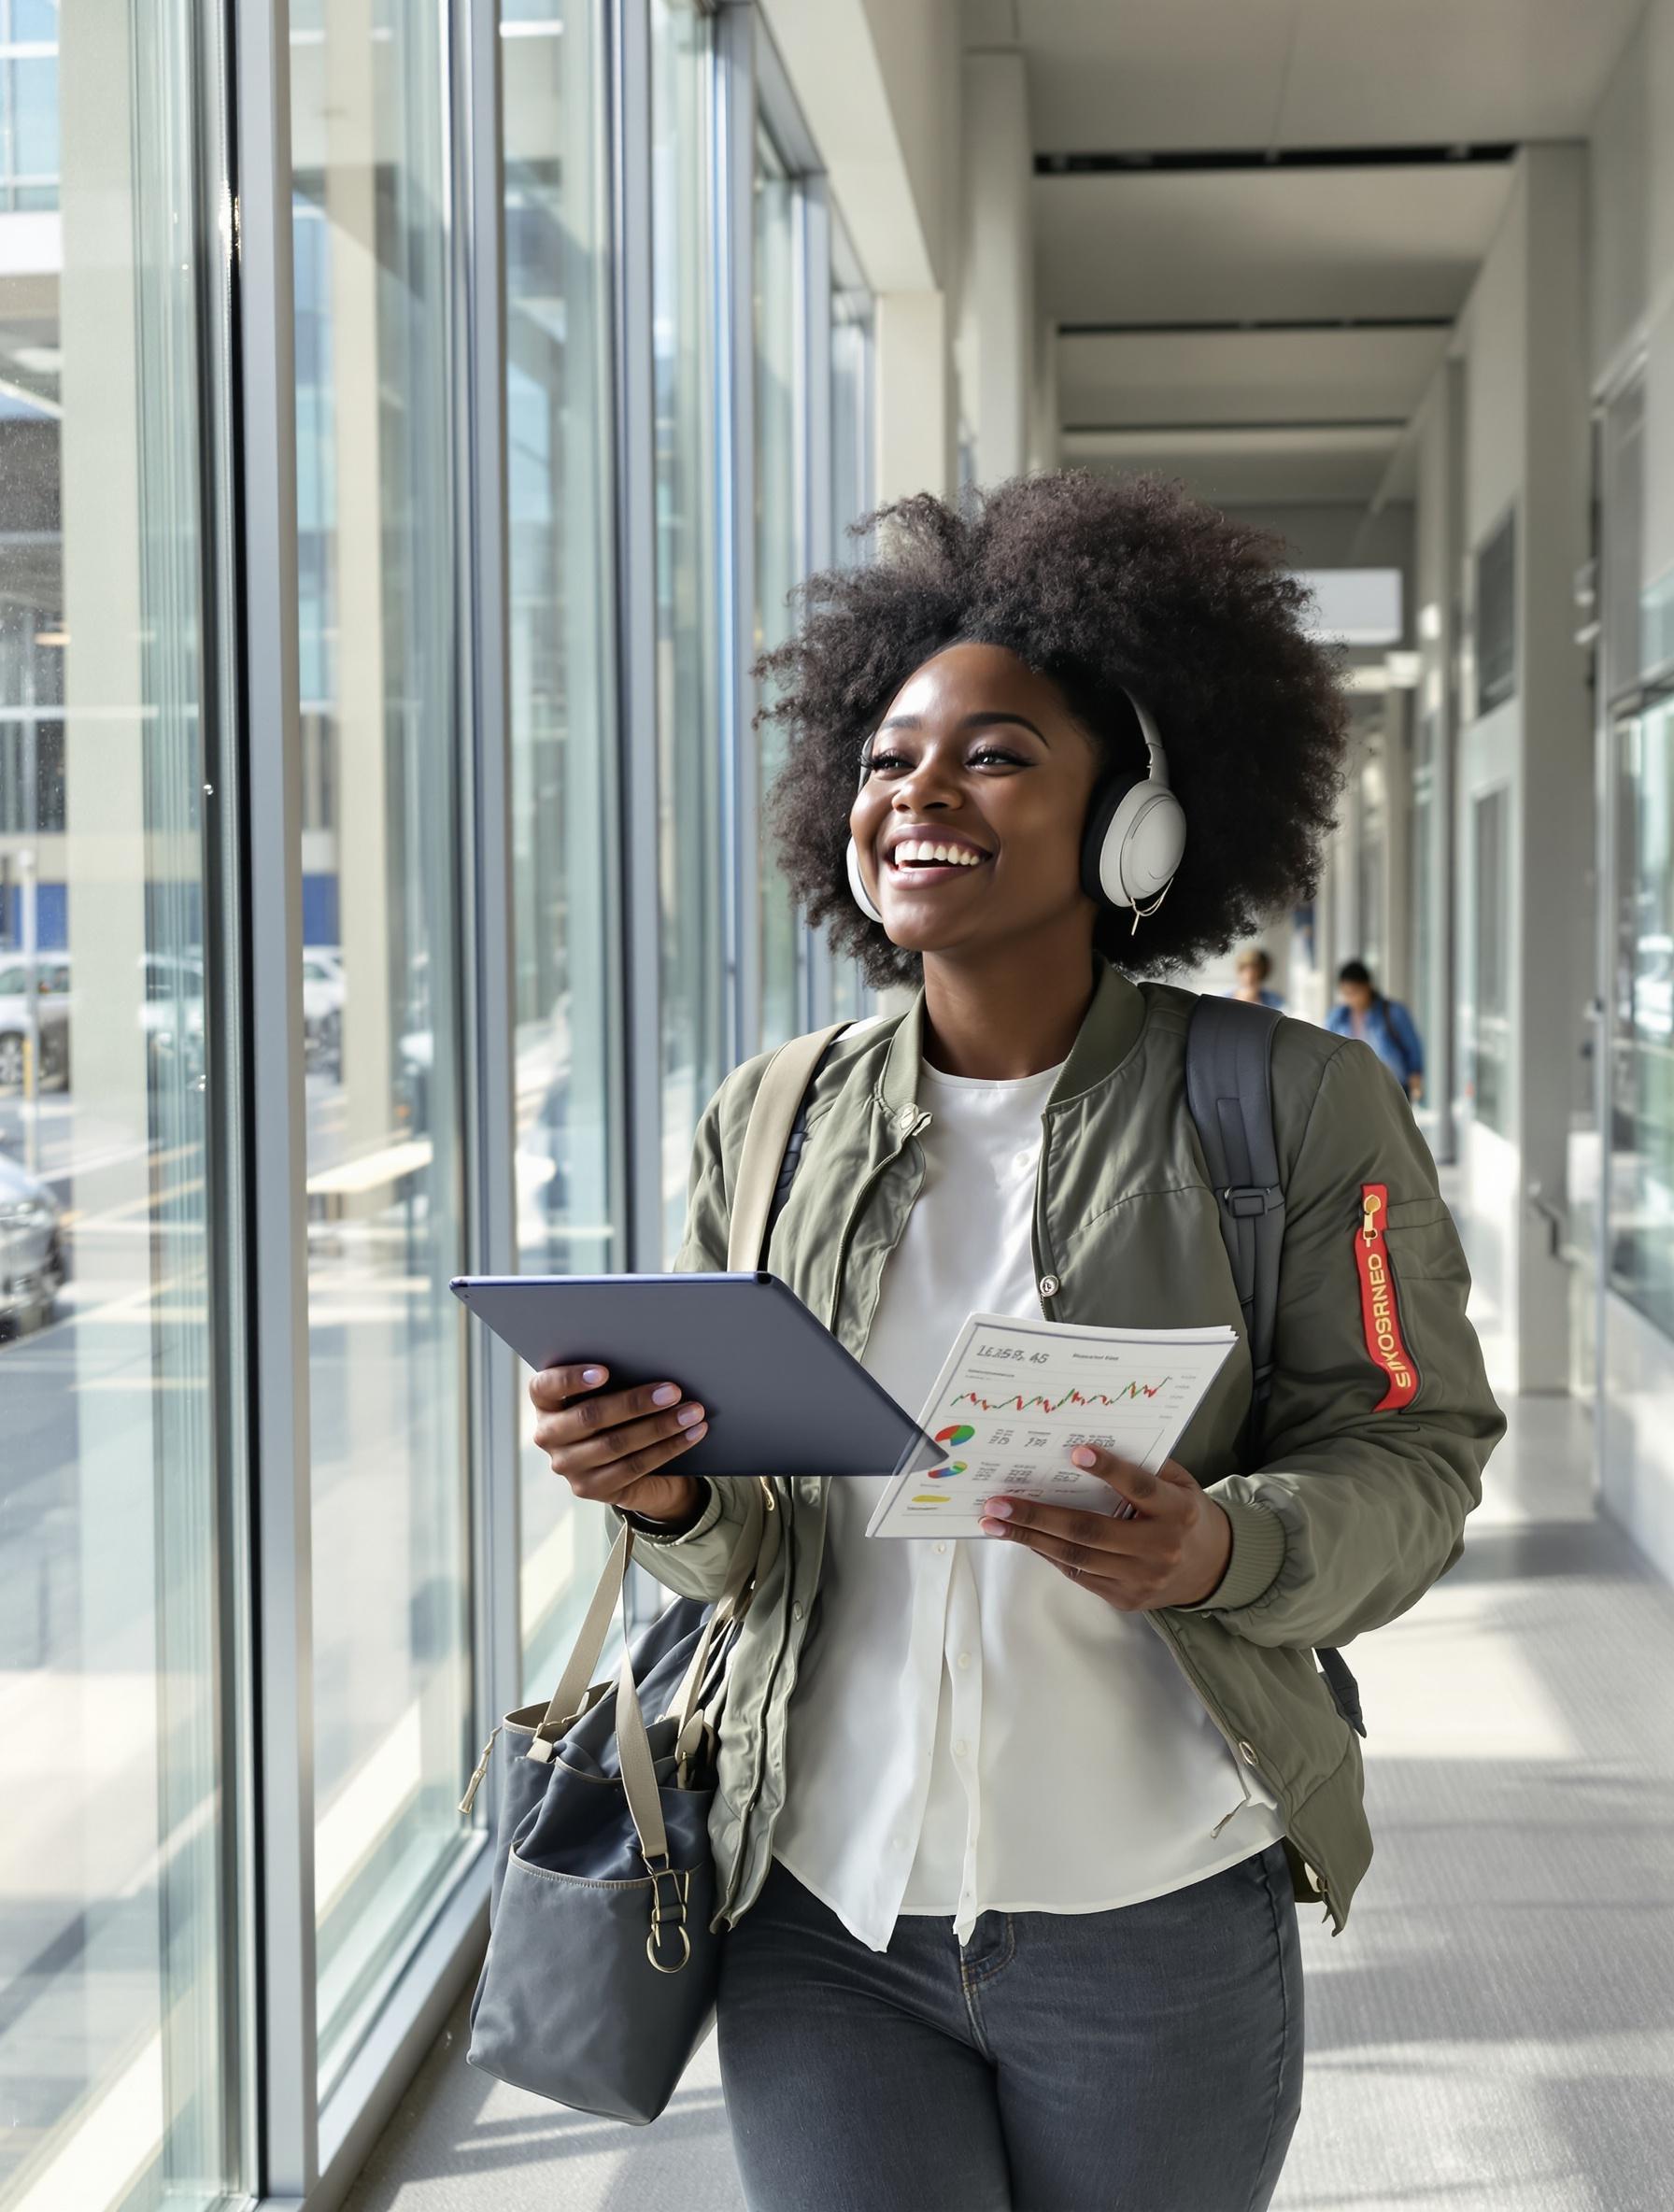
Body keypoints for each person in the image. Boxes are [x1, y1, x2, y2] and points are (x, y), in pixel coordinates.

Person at [530, 474, 1503, 2212]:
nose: (916, 789)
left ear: (1130, 828)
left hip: (1150, 1904)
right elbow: (741, 1549)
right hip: (819, 1902)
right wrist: (663, 1497)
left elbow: (1412, 1450)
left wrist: (1225, 1541)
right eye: (890, 756)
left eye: (991, 754)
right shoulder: (767, 1120)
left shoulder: (1288, 1105)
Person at [1328, 959, 1425, 1102]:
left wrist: (1416, 1080)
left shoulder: (1393, 1013)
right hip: (1353, 1092)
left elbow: (1413, 1048)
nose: (1351, 998)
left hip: (1391, 1090)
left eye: (1355, 992)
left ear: (1367, 987)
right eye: (1346, 993)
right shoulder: (1338, 1018)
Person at [1229, 944, 1284, 1009]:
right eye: (1245, 970)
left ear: (1262, 973)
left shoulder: (1275, 1001)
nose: (1249, 976)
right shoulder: (1225, 999)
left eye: (1255, 972)